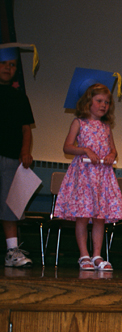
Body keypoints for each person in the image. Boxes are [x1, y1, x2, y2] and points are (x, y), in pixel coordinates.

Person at [57, 69, 122, 271]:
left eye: (106, 102)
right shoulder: (79, 123)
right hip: (84, 175)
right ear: (88, 102)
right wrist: (85, 149)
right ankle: (84, 255)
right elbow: (67, 146)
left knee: (99, 216)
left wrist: (112, 155)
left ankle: (97, 254)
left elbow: (112, 148)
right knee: (83, 215)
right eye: (99, 101)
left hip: (102, 177)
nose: (103, 105)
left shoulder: (106, 128)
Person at [0, 43, 37, 268]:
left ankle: (12, 251)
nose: (7, 68)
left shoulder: (19, 97)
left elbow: (26, 129)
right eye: (3, 63)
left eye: (12, 65)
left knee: (10, 205)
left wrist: (25, 151)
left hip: (10, 157)